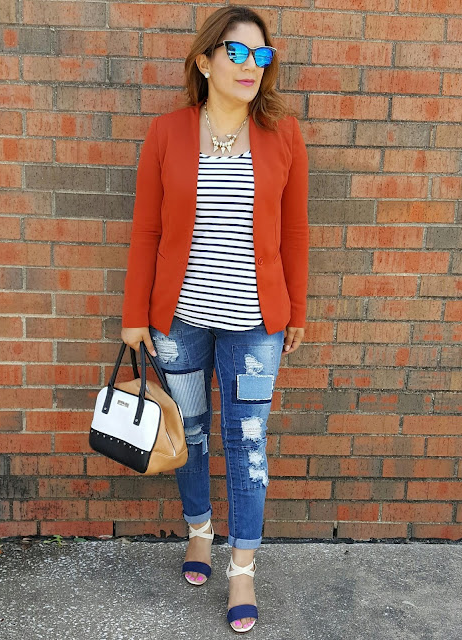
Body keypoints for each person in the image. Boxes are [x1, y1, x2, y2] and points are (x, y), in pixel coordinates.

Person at [120, 5, 309, 633]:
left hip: (257, 323)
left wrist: (297, 309)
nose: (251, 65)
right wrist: (134, 315)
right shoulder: (166, 133)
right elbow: (146, 231)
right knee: (193, 432)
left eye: (261, 55)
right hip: (178, 321)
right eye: (237, 52)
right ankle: (199, 532)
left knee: (248, 443)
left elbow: (295, 231)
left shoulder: (283, 135)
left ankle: (242, 568)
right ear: (204, 61)